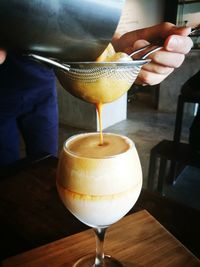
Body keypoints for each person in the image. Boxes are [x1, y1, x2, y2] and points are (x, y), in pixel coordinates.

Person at [0, 22, 193, 167]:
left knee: (46, 161)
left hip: (42, 88)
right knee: (6, 170)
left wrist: (112, 43)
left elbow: (70, 19)